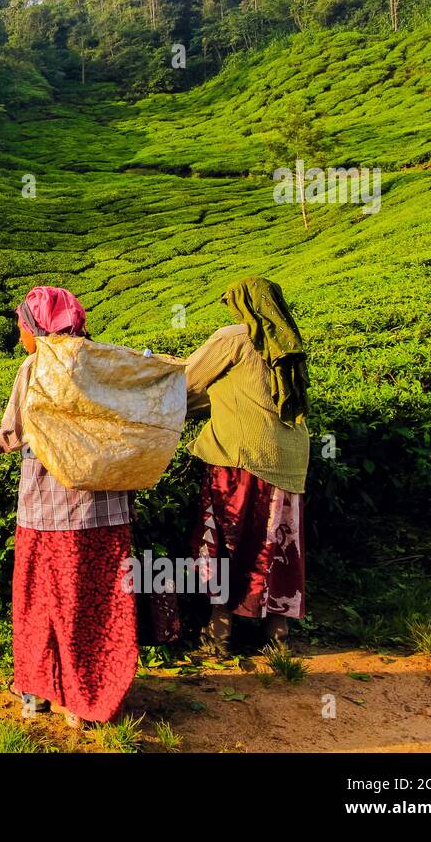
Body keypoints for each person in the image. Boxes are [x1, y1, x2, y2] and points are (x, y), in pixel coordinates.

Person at [0, 286, 137, 728]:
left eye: (22, 326)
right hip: (106, 508)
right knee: (94, 600)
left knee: (44, 600)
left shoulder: (37, 366)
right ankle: (88, 697)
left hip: (50, 511)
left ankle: (40, 689)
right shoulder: (104, 359)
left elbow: (11, 435)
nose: (20, 335)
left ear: (38, 326)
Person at [184, 277, 310, 649]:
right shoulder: (288, 340)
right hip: (289, 459)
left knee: (230, 540)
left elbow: (187, 382)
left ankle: (220, 627)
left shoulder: (234, 337)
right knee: (277, 541)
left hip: (242, 455)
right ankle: (277, 632)